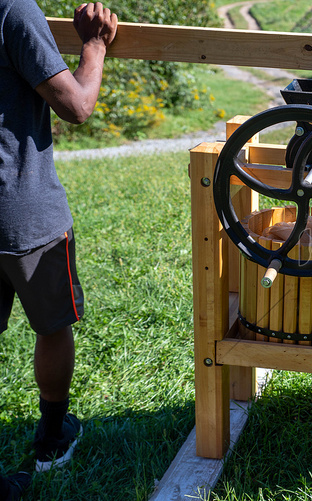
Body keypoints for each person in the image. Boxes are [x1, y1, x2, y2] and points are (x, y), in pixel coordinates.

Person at [0, 1, 117, 498]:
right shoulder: (14, 11)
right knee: (52, 325)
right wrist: (94, 44)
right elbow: (77, 106)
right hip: (22, 210)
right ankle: (51, 438)